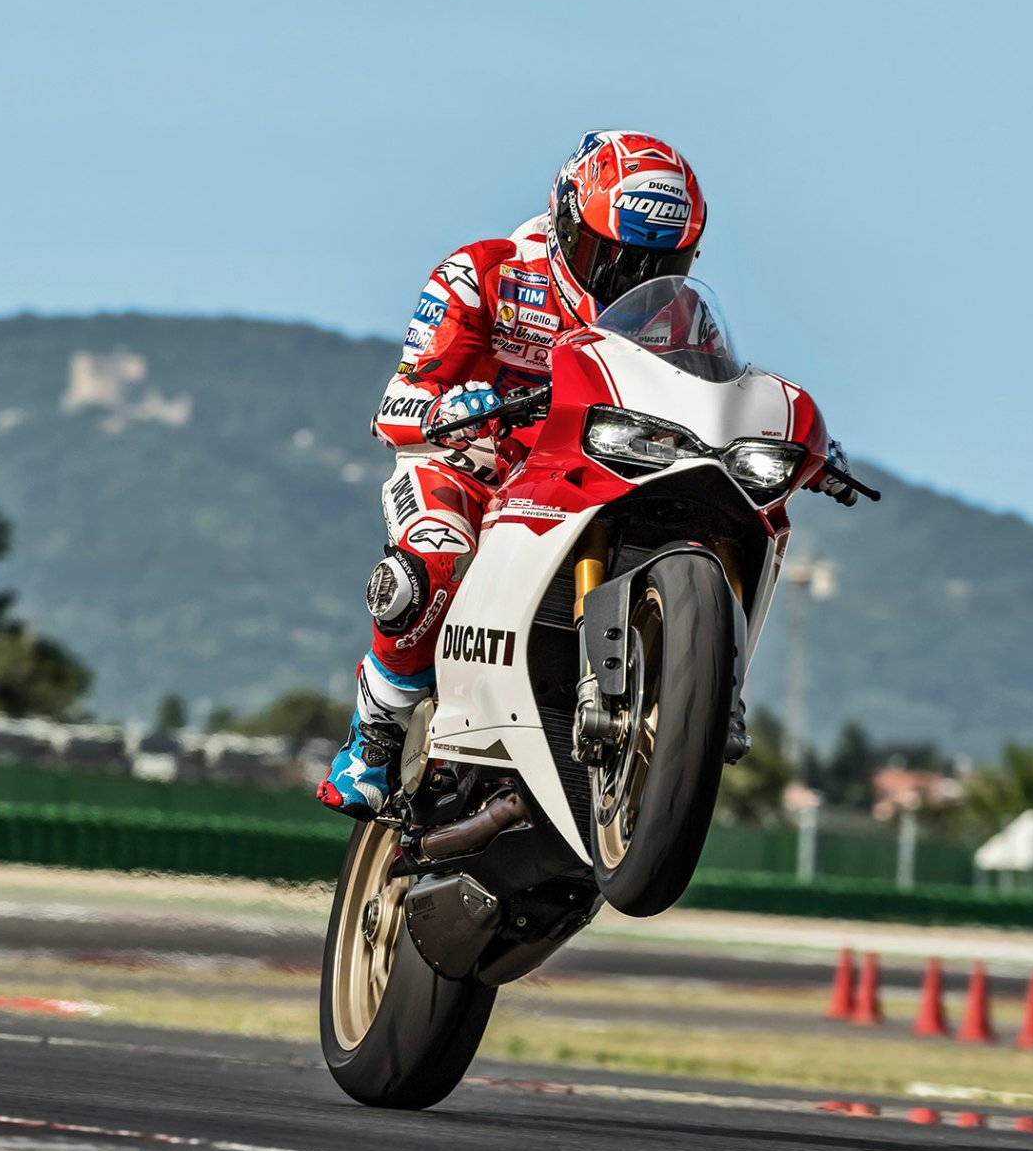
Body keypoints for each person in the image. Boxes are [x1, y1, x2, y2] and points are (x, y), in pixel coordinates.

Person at [317, 130, 848, 819]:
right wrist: (457, 406)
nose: (634, 277)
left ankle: (714, 686)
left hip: (602, 467)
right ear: (569, 220)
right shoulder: (485, 272)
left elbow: (713, 389)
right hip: (477, 463)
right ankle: (377, 732)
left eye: (662, 261)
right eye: (616, 256)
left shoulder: (673, 319)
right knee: (438, 549)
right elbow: (398, 401)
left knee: (741, 507)